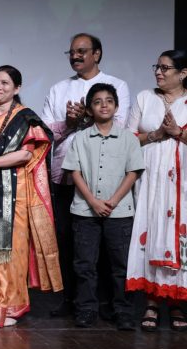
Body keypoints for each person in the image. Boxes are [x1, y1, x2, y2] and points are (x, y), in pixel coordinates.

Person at [0, 65, 62, 327]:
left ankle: (7, 307)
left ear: (17, 88)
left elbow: (26, 154)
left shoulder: (25, 117)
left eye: (5, 83)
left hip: (12, 191)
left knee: (10, 250)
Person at [41, 33, 131, 318]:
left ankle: (105, 303)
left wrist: (88, 116)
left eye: (81, 51)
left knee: (105, 244)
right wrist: (69, 122)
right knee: (68, 240)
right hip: (66, 176)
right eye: (71, 52)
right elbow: (46, 132)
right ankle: (72, 300)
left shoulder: (117, 85)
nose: (75, 56)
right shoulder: (58, 89)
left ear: (97, 54)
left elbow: (120, 125)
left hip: (105, 178)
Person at [62, 83, 143, 330]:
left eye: (109, 101)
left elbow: (133, 172)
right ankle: (87, 309)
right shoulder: (80, 138)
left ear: (116, 106)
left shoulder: (128, 139)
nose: (104, 105)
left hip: (120, 212)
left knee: (120, 265)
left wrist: (114, 200)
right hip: (85, 211)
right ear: (89, 109)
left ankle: (123, 311)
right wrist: (92, 201)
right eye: (97, 102)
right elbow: (74, 171)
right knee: (84, 264)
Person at [126, 50, 187, 332]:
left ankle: (176, 303)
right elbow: (127, 138)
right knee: (150, 232)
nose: (158, 72)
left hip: (182, 184)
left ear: (183, 73)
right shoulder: (144, 98)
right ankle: (150, 302)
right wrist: (156, 135)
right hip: (150, 181)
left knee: (178, 235)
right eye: (157, 67)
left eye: (165, 68)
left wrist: (178, 133)